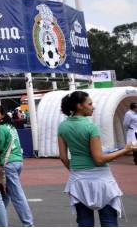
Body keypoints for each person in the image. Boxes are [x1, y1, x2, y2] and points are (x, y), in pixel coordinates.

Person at [58, 91, 136, 227]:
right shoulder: (90, 127)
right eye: (90, 104)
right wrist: (126, 150)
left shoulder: (62, 127)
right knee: (108, 220)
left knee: (84, 221)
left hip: (78, 180)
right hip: (101, 179)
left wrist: (76, 170)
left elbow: (63, 157)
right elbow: (99, 159)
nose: (93, 107)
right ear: (79, 106)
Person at [0, 105, 34, 227]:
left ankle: (28, 224)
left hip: (8, 163)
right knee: (6, 193)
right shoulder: (11, 127)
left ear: (2, 115)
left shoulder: (0, 128)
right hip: (18, 161)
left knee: (17, 195)